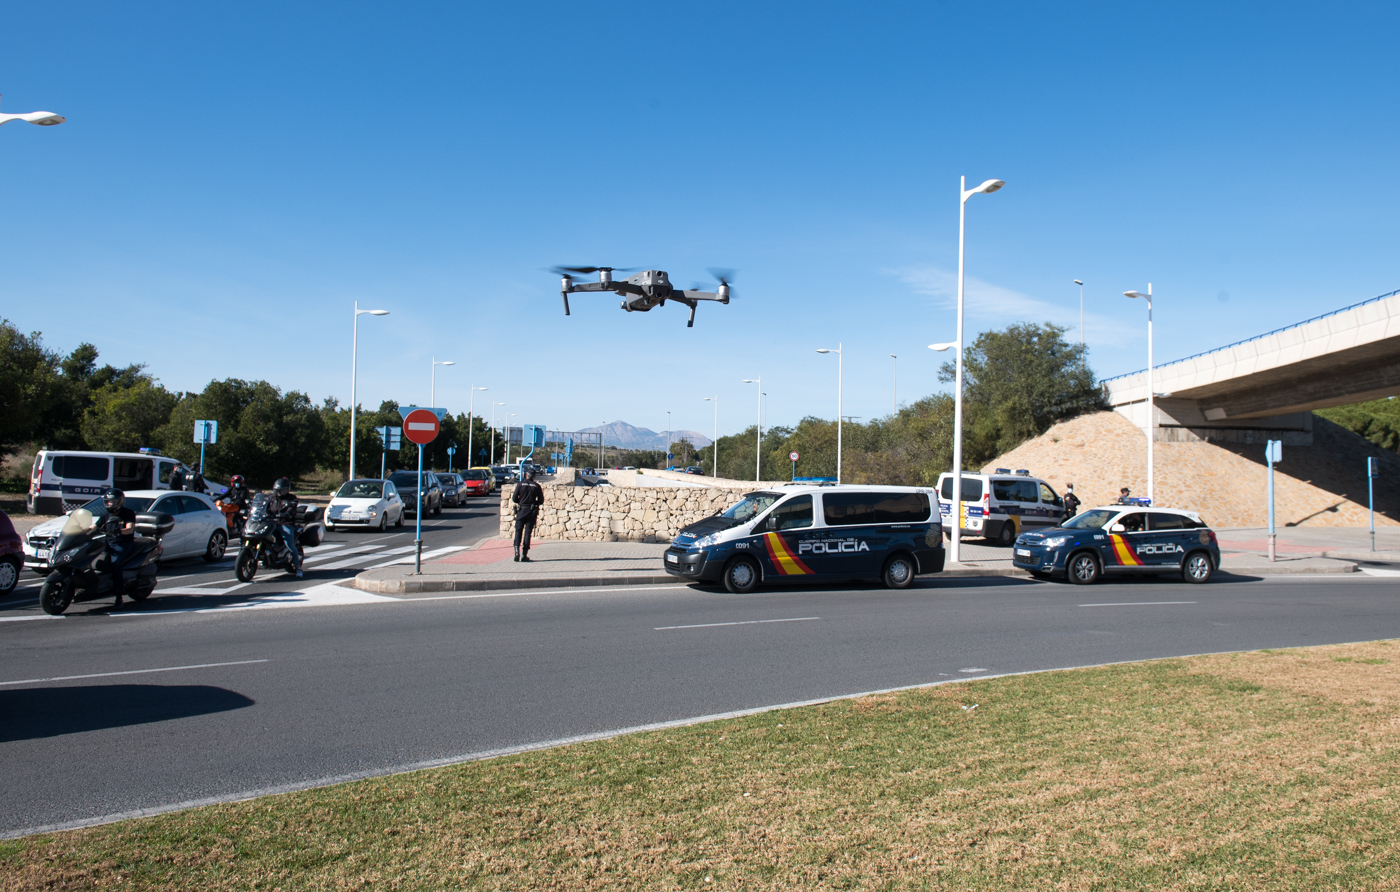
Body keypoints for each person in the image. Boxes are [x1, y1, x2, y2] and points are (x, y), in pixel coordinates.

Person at [99, 488, 137, 608]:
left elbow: (130, 529)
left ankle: (119, 596)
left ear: (120, 502)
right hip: (107, 544)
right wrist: (82, 532)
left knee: (115, 564)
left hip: (122, 544)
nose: (111, 504)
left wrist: (118, 531)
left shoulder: (128, 513)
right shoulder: (105, 515)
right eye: (109, 501)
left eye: (114, 501)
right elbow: (95, 527)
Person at [269, 477, 304, 578]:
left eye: (282, 490)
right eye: (277, 490)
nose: (279, 492)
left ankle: (298, 568)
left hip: (286, 524)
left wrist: (287, 513)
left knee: (290, 544)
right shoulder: (271, 498)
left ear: (287, 490)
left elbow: (292, 508)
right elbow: (264, 507)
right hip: (272, 523)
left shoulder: (291, 498)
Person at [512, 469, 544, 562]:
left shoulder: (520, 484)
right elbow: (541, 501)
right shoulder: (537, 486)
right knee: (527, 533)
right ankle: (524, 554)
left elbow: (514, 498)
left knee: (518, 531)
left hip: (521, 510)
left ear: (526, 475)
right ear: (534, 476)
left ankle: (516, 551)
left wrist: (521, 502)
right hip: (531, 511)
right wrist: (534, 503)